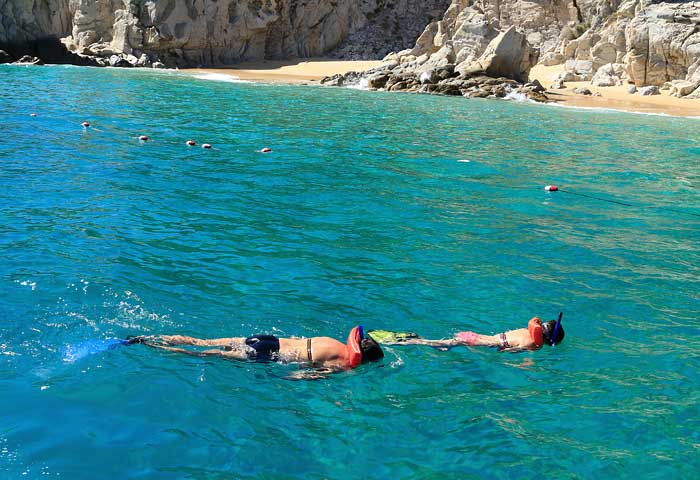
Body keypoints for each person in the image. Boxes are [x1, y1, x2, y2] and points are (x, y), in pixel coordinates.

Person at [128, 325, 384, 372]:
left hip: (268, 339)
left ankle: (151, 336)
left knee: (202, 343)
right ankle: (150, 346)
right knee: (202, 355)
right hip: (267, 355)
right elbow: (307, 374)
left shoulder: (334, 342)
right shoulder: (342, 363)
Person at [370, 314, 565, 352]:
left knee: (444, 343)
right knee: (430, 343)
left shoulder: (525, 330)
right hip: (479, 343)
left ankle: (423, 341)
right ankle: (408, 340)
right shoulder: (533, 345)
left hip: (475, 335)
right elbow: (506, 351)